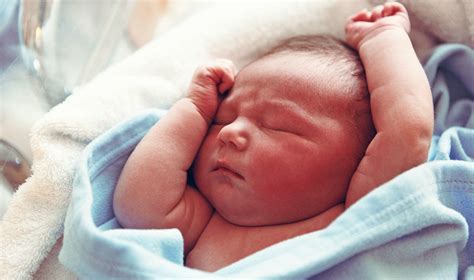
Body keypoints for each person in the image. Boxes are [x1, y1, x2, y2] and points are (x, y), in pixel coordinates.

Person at [113, 2, 433, 272]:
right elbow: (138, 207)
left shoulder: (353, 214)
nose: (229, 132)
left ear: (361, 159)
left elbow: (407, 131)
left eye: (278, 126)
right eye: (220, 118)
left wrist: (383, 39)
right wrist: (194, 109)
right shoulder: (207, 225)